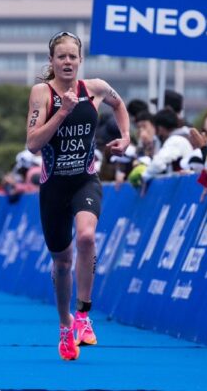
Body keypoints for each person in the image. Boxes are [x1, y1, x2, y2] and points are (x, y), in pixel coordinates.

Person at [25, 31, 130, 361]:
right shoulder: (42, 93)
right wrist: (62, 113)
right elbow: (32, 144)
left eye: (73, 56)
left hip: (85, 181)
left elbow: (120, 104)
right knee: (62, 261)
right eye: (61, 57)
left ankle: (83, 315)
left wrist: (125, 136)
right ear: (52, 61)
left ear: (80, 59)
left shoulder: (95, 88)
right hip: (54, 188)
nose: (67, 62)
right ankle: (63, 325)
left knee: (86, 237)